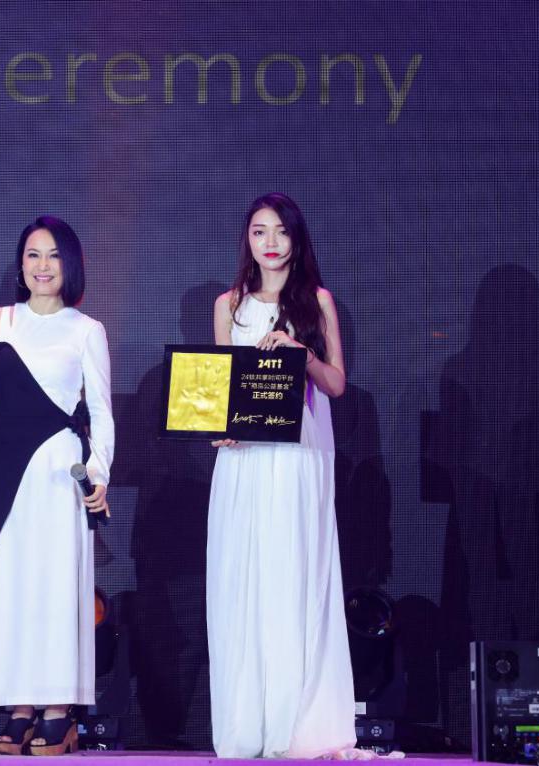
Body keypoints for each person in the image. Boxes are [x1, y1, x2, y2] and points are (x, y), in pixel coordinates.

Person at [0, 216, 114, 756]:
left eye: (53, 255)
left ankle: (58, 710)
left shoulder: (86, 330)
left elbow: (102, 413)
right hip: (6, 470)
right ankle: (18, 706)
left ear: (71, 264)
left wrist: (98, 473)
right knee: (10, 585)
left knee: (56, 586)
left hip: (60, 470)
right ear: (20, 265)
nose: (43, 266)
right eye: (33, 255)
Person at [206, 192, 355, 758]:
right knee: (245, 579)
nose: (269, 242)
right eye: (258, 231)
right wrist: (221, 427)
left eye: (280, 231)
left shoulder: (316, 301)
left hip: (298, 458)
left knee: (293, 575)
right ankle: (249, 722)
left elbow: (336, 384)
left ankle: (298, 721)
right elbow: (223, 387)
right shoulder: (229, 305)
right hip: (244, 459)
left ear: (296, 238)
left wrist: (299, 353)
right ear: (247, 240)